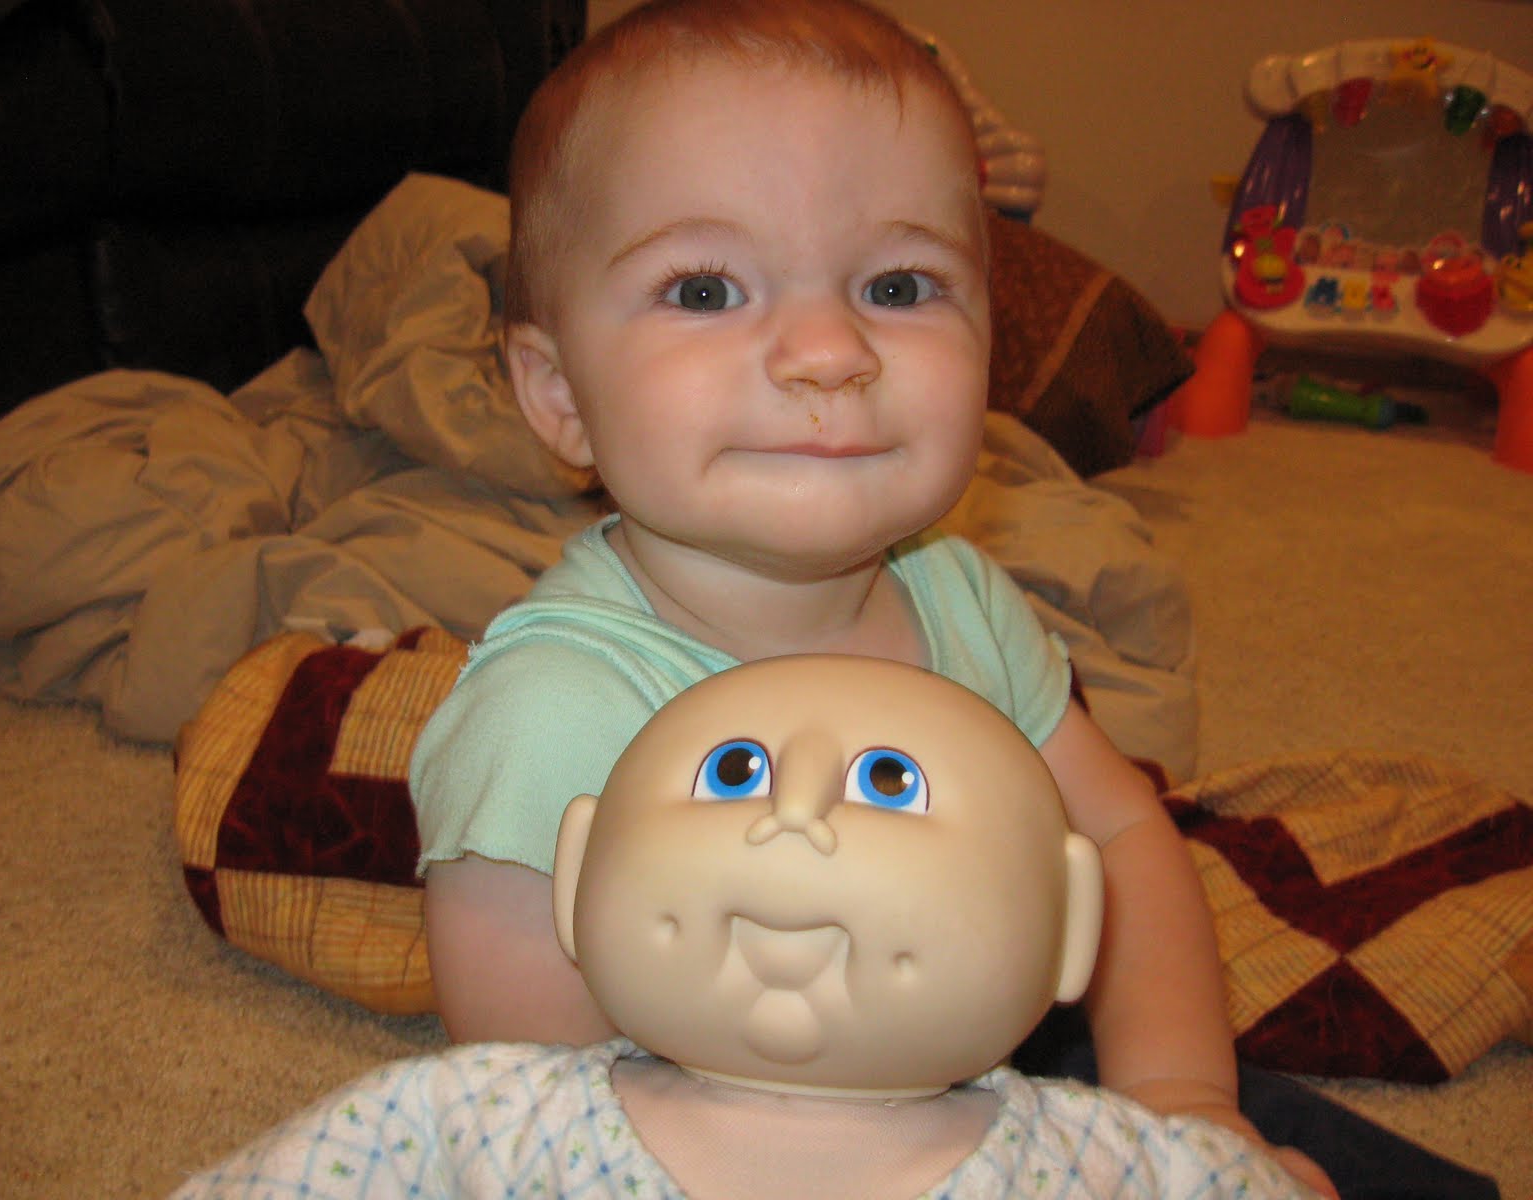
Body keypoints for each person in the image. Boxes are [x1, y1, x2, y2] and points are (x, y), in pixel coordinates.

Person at [408, 3, 1493, 1196]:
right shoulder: (550, 709)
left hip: (985, 1069)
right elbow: (540, 1112)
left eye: (897, 284)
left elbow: (1121, 838)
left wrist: (1178, 1099)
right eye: (706, 290)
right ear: (559, 395)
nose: (827, 350)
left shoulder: (959, 600)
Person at [179, 656, 1319, 1198]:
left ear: (1069, 930)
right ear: (577, 878)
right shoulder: (467, 1117)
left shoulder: (1112, 1166)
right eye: (735, 773)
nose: (795, 816)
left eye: (888, 783)